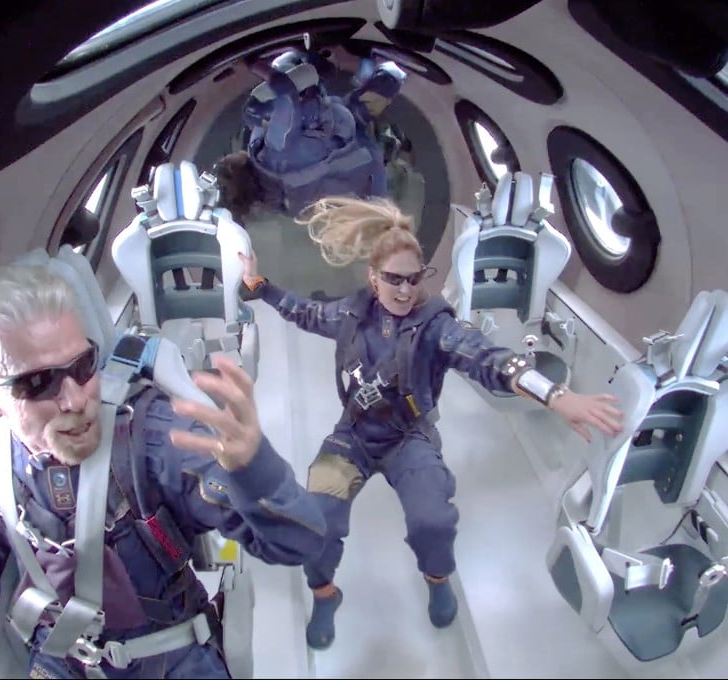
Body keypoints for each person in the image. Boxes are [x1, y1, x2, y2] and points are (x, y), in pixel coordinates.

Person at [234, 196, 625, 650]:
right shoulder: (349, 314)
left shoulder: (437, 327)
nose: (404, 291)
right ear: (372, 278)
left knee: (433, 520)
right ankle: (325, 593)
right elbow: (304, 311)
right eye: (393, 280)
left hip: (409, 439)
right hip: (354, 438)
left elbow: (490, 359)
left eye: (413, 280)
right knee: (316, 522)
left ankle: (437, 578)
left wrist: (555, 395)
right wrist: (259, 285)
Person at [0, 263, 327, 678]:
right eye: (40, 382)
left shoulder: (155, 441)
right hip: (58, 656)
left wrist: (257, 471)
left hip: (169, 655)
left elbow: (302, 542)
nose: (75, 400)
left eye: (82, 367)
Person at [213, 55, 406, 225]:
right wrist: (251, 62)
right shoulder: (276, 150)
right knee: (258, 110)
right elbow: (285, 91)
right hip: (352, 134)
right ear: (233, 167)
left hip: (366, 176)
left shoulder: (281, 204)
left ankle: (391, 78)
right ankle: (391, 71)